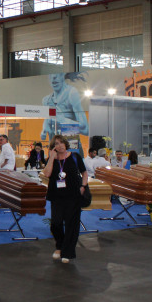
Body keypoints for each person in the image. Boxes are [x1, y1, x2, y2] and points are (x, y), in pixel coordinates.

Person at [42, 135, 88, 263]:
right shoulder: (52, 158)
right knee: (55, 223)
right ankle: (60, 246)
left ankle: (67, 252)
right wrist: (51, 157)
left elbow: (84, 173)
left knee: (71, 225)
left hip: (73, 196)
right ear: (53, 146)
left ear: (66, 144)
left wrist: (83, 186)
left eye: (62, 143)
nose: (60, 145)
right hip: (57, 196)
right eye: (57, 143)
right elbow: (47, 174)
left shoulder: (74, 157)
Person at [40, 72, 89, 140]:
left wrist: (64, 121)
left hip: (70, 144)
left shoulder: (71, 93)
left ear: (63, 76)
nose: (54, 77)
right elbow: (47, 120)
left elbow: (85, 129)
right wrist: (44, 130)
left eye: (58, 74)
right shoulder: (46, 100)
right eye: (51, 75)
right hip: (54, 144)